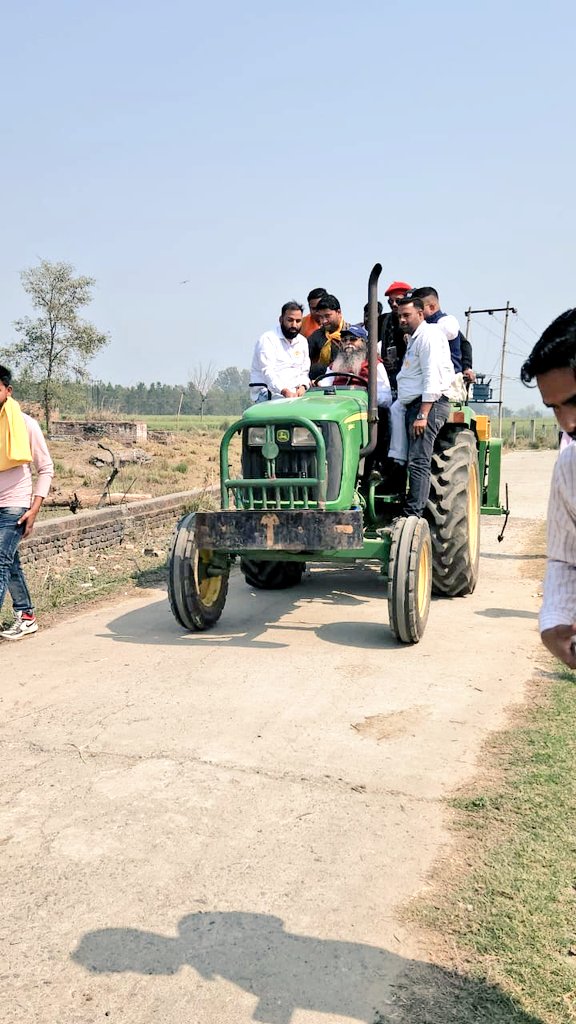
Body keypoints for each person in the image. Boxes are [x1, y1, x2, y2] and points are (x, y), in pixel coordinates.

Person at [520, 309, 576, 669]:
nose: (567, 423)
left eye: (574, 401)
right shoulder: (570, 468)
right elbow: (565, 558)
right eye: (554, 409)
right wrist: (554, 624)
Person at [0, 365, 54, 640]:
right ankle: (27, 616)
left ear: (8, 391)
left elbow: (46, 468)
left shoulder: (25, 425)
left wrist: (34, 508)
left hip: (14, 504)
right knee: (9, 562)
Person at [388, 297, 454, 516]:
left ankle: (412, 515)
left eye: (407, 315)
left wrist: (423, 414)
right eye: (400, 316)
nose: (402, 319)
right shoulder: (414, 339)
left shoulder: (429, 336)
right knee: (408, 460)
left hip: (428, 405)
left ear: (421, 314)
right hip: (412, 405)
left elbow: (431, 376)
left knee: (418, 461)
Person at [410, 285, 475, 389]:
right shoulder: (423, 325)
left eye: (419, 309)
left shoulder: (446, 323)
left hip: (446, 385)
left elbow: (462, 342)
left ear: (431, 307)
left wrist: (467, 367)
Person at [316, 325, 392, 407]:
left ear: (363, 342)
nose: (348, 343)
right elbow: (325, 385)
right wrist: (318, 386)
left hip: (362, 410)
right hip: (335, 405)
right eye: (344, 340)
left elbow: (386, 398)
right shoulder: (334, 366)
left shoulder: (375, 365)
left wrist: (365, 396)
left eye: (353, 339)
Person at [250, 302, 311, 402]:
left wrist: (303, 387)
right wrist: (284, 391)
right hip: (268, 393)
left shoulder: (302, 342)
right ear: (281, 319)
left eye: (298, 321)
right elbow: (268, 372)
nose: (294, 325)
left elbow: (304, 372)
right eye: (290, 320)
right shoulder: (268, 339)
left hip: (295, 394)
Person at [307, 294, 350, 379]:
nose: (324, 321)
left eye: (327, 316)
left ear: (339, 312)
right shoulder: (317, 335)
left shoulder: (353, 334)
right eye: (321, 317)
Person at [381, 281, 412, 390]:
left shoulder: (419, 321)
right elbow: (367, 341)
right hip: (389, 378)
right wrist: (379, 361)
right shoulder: (384, 319)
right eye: (390, 301)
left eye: (398, 301)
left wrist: (466, 367)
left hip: (410, 377)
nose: (394, 304)